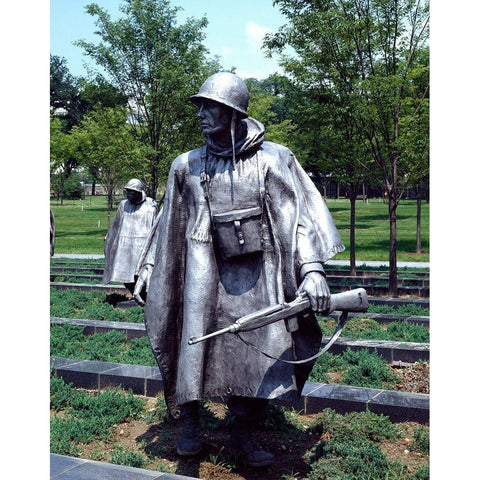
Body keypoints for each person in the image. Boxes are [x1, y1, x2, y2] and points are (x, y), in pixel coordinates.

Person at [134, 72, 344, 467]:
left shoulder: (272, 159)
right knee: (192, 341)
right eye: (199, 106)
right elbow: (167, 222)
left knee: (264, 350)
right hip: (200, 267)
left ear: (232, 112)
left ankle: (243, 430)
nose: (200, 114)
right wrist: (148, 267)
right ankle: (191, 422)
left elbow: (295, 216)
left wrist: (312, 268)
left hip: (259, 272)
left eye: (209, 106)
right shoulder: (186, 165)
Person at [102, 179, 157, 297]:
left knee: (140, 274)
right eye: (127, 191)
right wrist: (110, 236)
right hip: (125, 245)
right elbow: (116, 224)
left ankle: (144, 297)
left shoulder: (150, 205)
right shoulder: (123, 205)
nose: (129, 194)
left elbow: (156, 227)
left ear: (139, 192)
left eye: (132, 192)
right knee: (123, 274)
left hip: (142, 245)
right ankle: (136, 295)